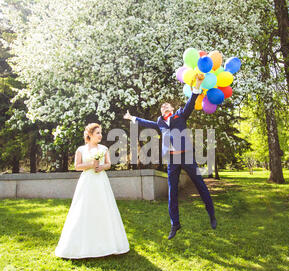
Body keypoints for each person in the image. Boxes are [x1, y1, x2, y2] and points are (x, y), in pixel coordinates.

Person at [124, 74, 216, 240]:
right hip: (172, 160)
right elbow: (146, 122)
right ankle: (175, 224)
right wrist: (132, 118)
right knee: (172, 192)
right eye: (162, 107)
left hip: (187, 156)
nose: (164, 107)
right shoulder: (159, 123)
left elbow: (190, 103)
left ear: (172, 109)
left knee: (200, 185)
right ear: (161, 112)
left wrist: (198, 84)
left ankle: (211, 214)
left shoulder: (180, 115)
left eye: (167, 105)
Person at [55, 123, 129, 259]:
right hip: (87, 181)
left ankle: (108, 244)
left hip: (101, 180)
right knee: (84, 208)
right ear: (89, 135)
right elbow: (77, 166)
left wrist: (101, 167)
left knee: (104, 207)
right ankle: (81, 246)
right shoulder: (81, 149)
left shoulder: (104, 148)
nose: (100, 135)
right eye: (97, 133)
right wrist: (91, 165)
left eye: (101, 133)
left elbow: (108, 164)